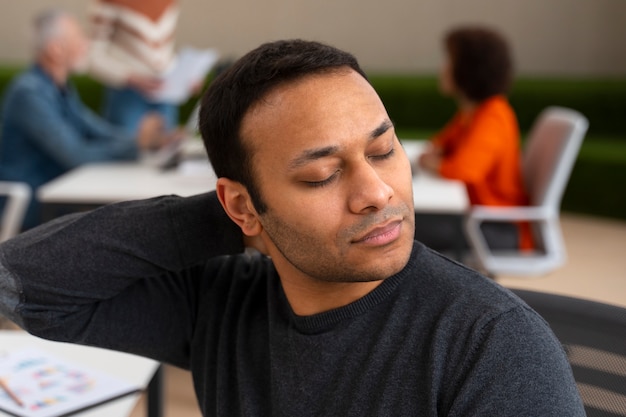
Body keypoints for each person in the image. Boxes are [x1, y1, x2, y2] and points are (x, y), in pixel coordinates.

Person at [0, 39, 585, 416]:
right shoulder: (220, 303)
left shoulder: (493, 347)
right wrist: (232, 219)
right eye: (323, 175)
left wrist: (268, 211)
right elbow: (22, 283)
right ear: (241, 207)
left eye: (383, 152)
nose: (377, 194)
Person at [0, 9, 173, 229]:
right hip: (29, 206)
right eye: (78, 39)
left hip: (56, 197)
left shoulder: (59, 88)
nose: (86, 44)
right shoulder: (29, 93)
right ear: (56, 49)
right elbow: (76, 154)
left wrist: (144, 140)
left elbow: (96, 130)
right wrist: (137, 144)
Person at [416, 26, 531, 252]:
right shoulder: (471, 114)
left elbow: (463, 170)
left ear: (468, 69)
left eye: (449, 62)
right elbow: (437, 144)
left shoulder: (493, 115)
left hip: (494, 227)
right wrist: (438, 158)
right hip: (476, 219)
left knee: (398, 227)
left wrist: (433, 162)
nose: (443, 69)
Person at [87, 0, 181, 135]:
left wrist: (181, 75)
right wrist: (131, 78)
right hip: (127, 95)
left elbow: (162, 52)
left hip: (164, 94)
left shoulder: (169, 3)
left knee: (167, 152)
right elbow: (93, 57)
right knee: (126, 151)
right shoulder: (108, 3)